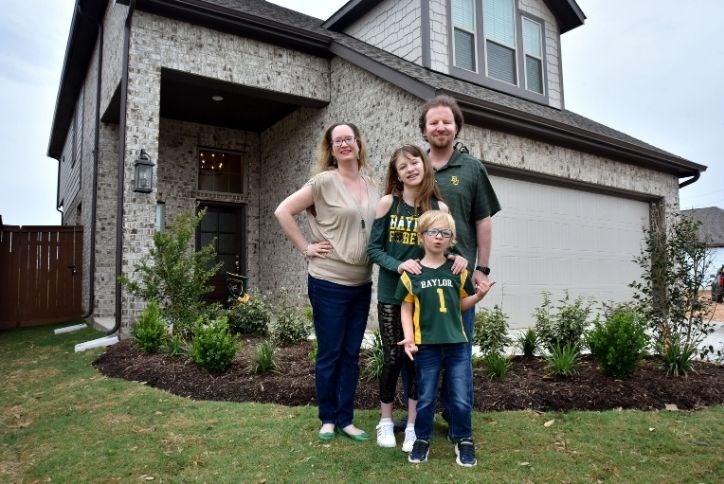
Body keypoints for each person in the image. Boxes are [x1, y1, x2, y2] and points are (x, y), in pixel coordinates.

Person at [274, 123, 379, 442]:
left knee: (350, 354)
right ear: (331, 149)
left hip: (361, 284)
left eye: (349, 138)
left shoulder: (374, 185)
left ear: (359, 144)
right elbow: (283, 211)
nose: (345, 144)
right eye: (338, 141)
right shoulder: (322, 182)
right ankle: (328, 419)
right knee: (330, 352)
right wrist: (306, 247)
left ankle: (346, 419)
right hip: (328, 282)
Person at [367, 145, 467, 451]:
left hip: (423, 298)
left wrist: (457, 258)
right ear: (396, 175)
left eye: (414, 163)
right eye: (402, 167)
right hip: (391, 294)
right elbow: (373, 249)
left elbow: (446, 245)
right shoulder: (388, 204)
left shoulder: (439, 208)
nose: (410, 169)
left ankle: (412, 425)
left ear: (424, 166)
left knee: (416, 363)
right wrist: (399, 264)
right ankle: (385, 421)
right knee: (395, 357)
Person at [418, 94, 501, 423]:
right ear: (423, 130)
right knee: (419, 350)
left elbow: (483, 220)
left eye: (446, 122)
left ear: (457, 128)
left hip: (459, 277)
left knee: (458, 352)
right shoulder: (412, 166)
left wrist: (481, 268)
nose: (440, 127)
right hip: (418, 276)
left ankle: (457, 417)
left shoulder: (471, 168)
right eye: (433, 122)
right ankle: (417, 418)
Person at [396, 210, 495, 467]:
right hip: (426, 345)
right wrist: (409, 337)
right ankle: (422, 439)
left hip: (456, 345)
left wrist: (479, 297)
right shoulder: (412, 272)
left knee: (460, 395)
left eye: (444, 233)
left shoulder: (457, 270)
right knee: (426, 397)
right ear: (422, 236)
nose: (438, 237)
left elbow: (461, 304)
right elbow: (405, 307)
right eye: (432, 232)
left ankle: (464, 439)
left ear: (451, 238)